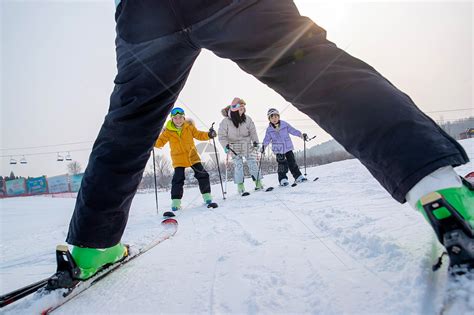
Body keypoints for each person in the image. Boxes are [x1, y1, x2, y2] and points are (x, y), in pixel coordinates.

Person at [63, 0, 472, 284]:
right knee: (312, 65)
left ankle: (91, 247)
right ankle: (438, 188)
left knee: (129, 119)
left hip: (143, 16)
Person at [154, 107, 217, 212]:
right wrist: (151, 140)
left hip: (192, 156)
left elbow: (199, 135)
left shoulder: (189, 127)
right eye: (175, 118)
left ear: (184, 118)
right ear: (172, 119)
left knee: (202, 174)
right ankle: (176, 202)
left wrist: (209, 135)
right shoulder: (168, 131)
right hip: (178, 158)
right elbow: (160, 142)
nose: (178, 120)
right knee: (178, 179)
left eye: (180, 117)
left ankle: (207, 197)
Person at [218, 97, 263, 195]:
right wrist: (226, 146)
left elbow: (253, 132)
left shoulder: (247, 119)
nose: (242, 108)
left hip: (246, 144)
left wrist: (255, 142)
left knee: (252, 163)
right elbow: (222, 136)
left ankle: (258, 182)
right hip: (233, 147)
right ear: (235, 108)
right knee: (238, 166)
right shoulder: (226, 121)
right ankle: (240, 185)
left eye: (243, 106)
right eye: (240, 106)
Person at [262, 108, 307, 186]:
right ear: (269, 119)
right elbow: (266, 140)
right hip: (278, 150)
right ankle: (283, 179)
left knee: (292, 162)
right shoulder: (269, 130)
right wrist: (263, 147)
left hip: (288, 147)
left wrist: (301, 135)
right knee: (282, 164)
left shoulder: (284, 124)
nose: (274, 119)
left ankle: (298, 176)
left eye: (276, 117)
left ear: (278, 117)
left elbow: (293, 130)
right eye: (272, 117)